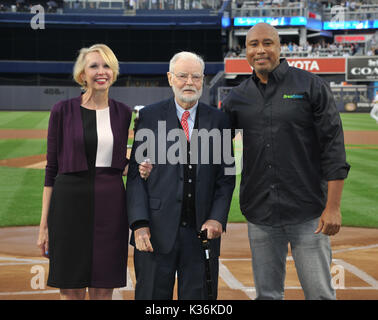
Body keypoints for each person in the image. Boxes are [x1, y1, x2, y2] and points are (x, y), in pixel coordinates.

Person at [221, 23, 350, 300]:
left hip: (308, 212)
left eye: (267, 43)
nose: (260, 50)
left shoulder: (311, 86)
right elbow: (216, 149)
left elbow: (334, 148)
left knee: (320, 294)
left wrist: (333, 207)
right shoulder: (237, 97)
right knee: (267, 295)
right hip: (260, 213)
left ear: (281, 47)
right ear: (246, 51)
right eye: (253, 44)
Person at [126, 51, 235, 300]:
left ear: (203, 80)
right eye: (182, 76)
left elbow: (226, 177)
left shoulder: (218, 121)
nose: (189, 82)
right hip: (154, 231)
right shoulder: (149, 117)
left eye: (196, 77)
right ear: (170, 78)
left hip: (201, 234)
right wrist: (139, 224)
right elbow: (135, 176)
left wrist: (217, 218)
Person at [37, 44, 132, 300]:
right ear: (82, 74)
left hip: (111, 205)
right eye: (94, 66)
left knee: (104, 288)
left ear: (113, 72)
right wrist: (44, 225)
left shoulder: (123, 113)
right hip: (69, 205)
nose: (101, 71)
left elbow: (116, 162)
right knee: (71, 288)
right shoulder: (63, 110)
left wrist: (137, 165)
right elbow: (51, 170)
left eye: (106, 66)